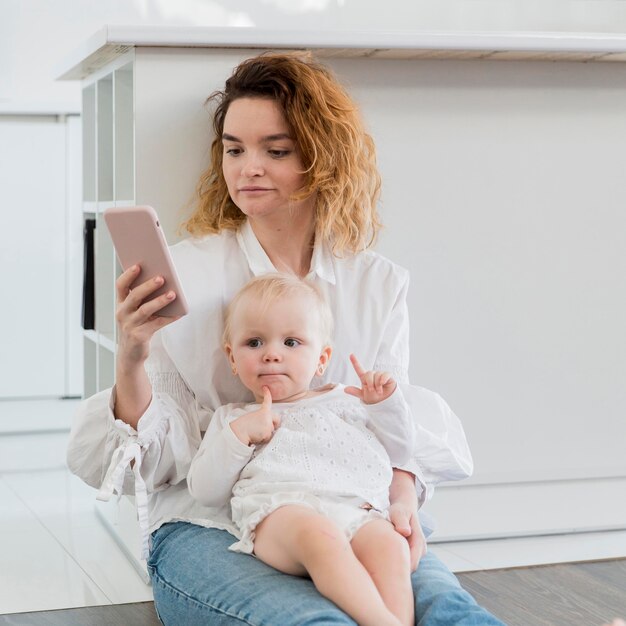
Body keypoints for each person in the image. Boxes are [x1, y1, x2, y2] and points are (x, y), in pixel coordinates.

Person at [67, 51, 504, 624]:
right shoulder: (189, 273)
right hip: (212, 522)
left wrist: (400, 500)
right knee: (315, 621)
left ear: (322, 158)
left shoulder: (375, 283)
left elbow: (391, 419)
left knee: (449, 610)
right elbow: (162, 459)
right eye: (234, 149)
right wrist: (131, 357)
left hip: (353, 506)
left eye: (275, 151)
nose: (248, 168)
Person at [188, 273, 416, 626]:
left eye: (291, 342)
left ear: (322, 358)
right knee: (319, 537)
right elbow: (204, 491)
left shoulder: (348, 401)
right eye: (254, 343)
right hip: (280, 513)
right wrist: (240, 436)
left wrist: (384, 404)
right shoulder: (235, 418)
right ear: (232, 358)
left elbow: (401, 451)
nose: (272, 355)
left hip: (355, 507)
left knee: (391, 548)